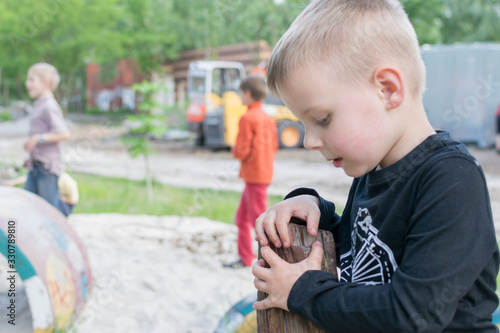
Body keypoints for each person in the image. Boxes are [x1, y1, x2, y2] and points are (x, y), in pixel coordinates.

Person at [252, 0, 499, 332]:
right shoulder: (373, 172)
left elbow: (412, 315)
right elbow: (361, 254)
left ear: (387, 90)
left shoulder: (451, 180)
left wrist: (302, 291)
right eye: (304, 123)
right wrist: (315, 210)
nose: (310, 141)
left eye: (322, 118)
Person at [224, 75, 279, 268]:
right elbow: (274, 146)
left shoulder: (247, 117)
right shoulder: (268, 118)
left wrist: (234, 149)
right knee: (243, 219)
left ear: (248, 93)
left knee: (259, 221)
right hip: (262, 174)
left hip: (254, 176)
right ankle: (246, 257)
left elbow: (242, 150)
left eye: (241, 93)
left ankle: (269, 260)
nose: (240, 96)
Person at [23, 63, 70, 208]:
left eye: (32, 80)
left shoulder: (50, 106)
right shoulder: (39, 105)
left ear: (46, 83)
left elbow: (63, 133)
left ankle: (66, 212)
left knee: (47, 210)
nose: (27, 83)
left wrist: (38, 138)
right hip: (36, 166)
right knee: (28, 206)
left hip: (47, 168)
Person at [3, 172, 78, 217]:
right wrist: (13, 182)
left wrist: (60, 197)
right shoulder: (45, 178)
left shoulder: (67, 182)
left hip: (64, 205)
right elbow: (27, 178)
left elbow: (74, 200)